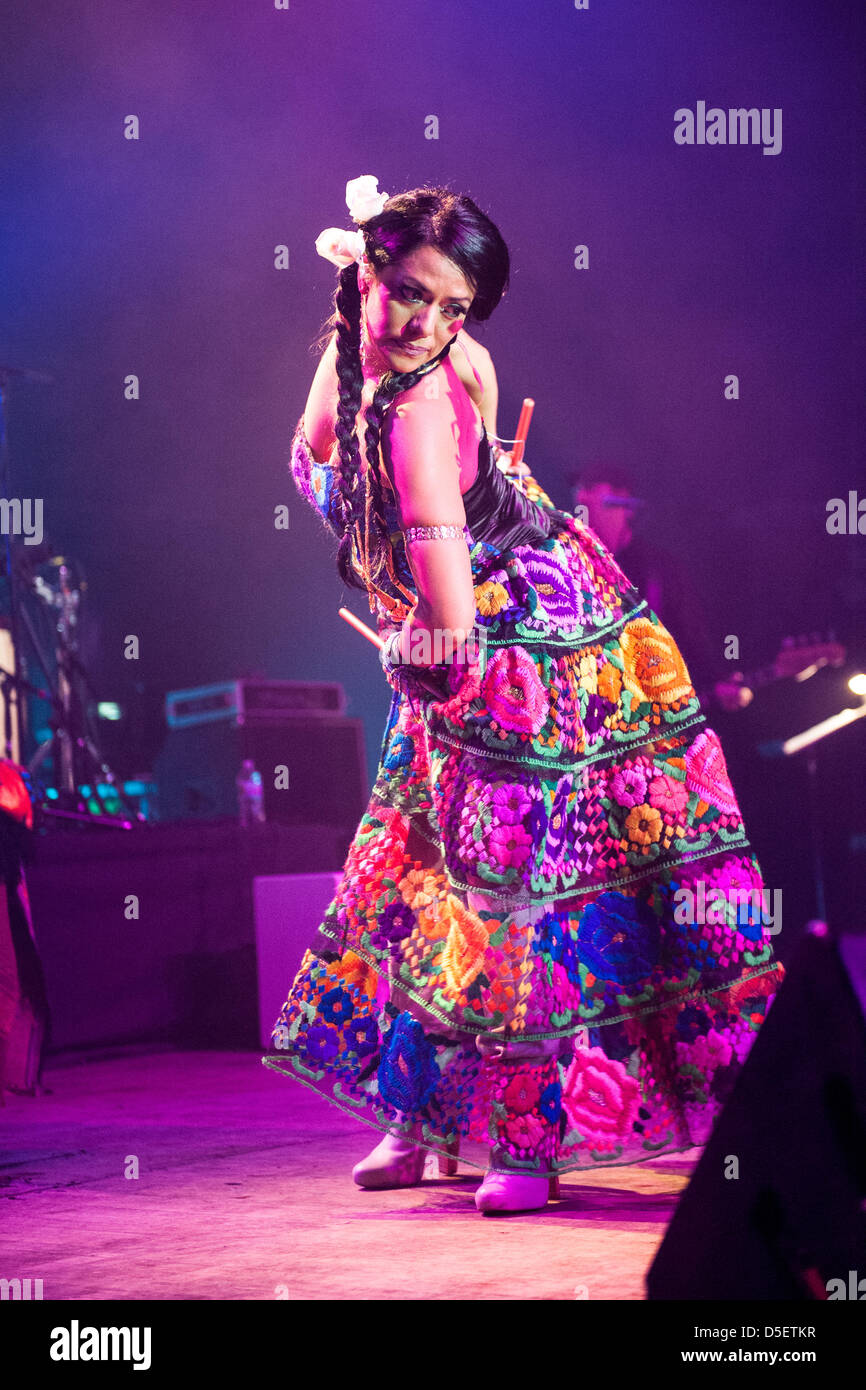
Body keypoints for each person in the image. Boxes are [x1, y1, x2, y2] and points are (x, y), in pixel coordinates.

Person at [262, 176, 786, 1214]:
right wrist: (411, 608)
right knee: (421, 870)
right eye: (408, 291)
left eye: (451, 307)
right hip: (457, 631)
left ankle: (527, 1134)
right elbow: (329, 464)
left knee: (520, 896)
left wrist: (420, 639)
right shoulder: (341, 357)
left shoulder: (421, 401)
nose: (426, 323)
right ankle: (420, 1120)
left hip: (537, 649)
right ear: (362, 271)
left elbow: (455, 605)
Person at [571, 463, 754, 714]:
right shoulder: (574, 562)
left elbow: (692, 637)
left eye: (590, 487)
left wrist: (717, 680)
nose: (580, 496)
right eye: (579, 489)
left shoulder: (658, 570)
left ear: (622, 499)